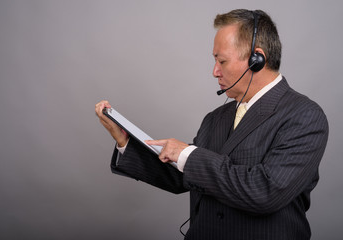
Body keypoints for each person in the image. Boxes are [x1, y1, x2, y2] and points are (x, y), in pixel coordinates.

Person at [95, 9, 328, 240]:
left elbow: (265, 192)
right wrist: (124, 140)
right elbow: (182, 176)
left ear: (257, 60)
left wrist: (188, 154)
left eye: (222, 61)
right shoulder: (216, 117)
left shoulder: (304, 116)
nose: (214, 71)